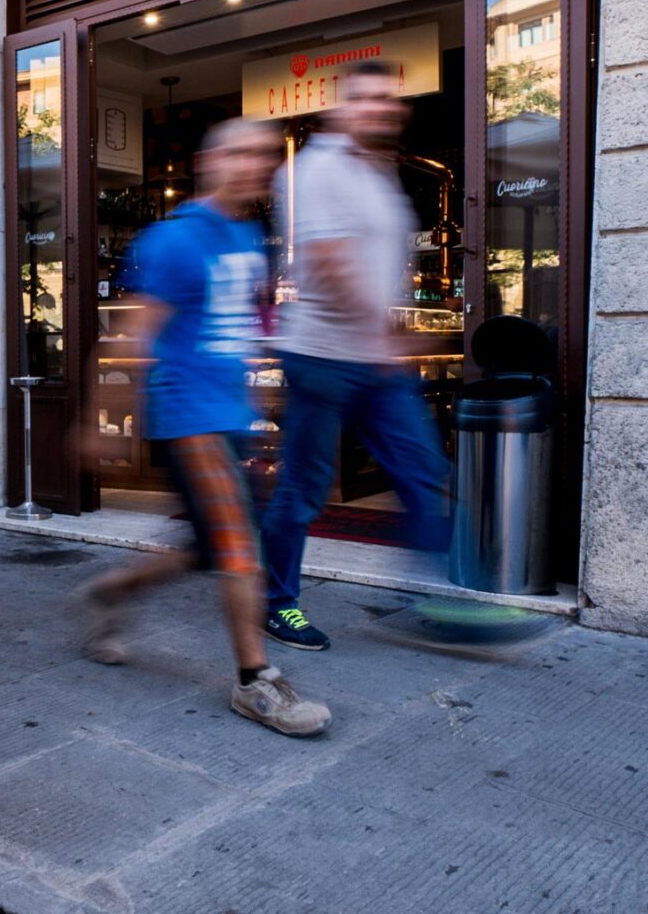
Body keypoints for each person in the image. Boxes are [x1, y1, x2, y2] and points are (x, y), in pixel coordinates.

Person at [75, 117, 330, 738]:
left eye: (263, 155)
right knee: (239, 544)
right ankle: (254, 681)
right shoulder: (173, 241)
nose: (253, 164)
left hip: (230, 415)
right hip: (187, 415)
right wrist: (94, 419)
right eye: (238, 153)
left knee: (207, 550)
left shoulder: (247, 236)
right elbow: (130, 338)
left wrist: (257, 406)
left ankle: (112, 591)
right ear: (207, 163)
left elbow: (236, 331)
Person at [258, 60, 456, 653]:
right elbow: (328, 259)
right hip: (322, 356)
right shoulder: (317, 167)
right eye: (366, 98)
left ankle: (443, 602)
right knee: (305, 488)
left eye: (388, 99)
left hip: (372, 358)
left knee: (422, 470)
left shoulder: (380, 173)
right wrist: (381, 334)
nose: (380, 108)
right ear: (342, 108)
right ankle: (277, 604)